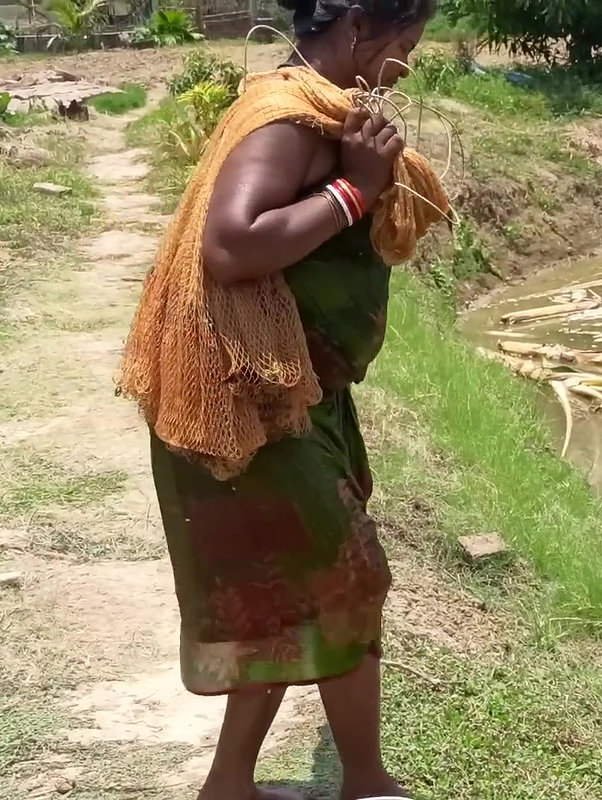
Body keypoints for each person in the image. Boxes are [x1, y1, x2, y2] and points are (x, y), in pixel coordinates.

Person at [147, 1, 434, 798]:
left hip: (296, 396)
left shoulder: (315, 112)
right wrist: (355, 189)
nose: (404, 65)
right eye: (402, 44)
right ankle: (368, 782)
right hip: (253, 406)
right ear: (354, 29)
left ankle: (230, 785)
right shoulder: (287, 121)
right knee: (347, 579)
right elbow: (232, 246)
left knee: (286, 593)